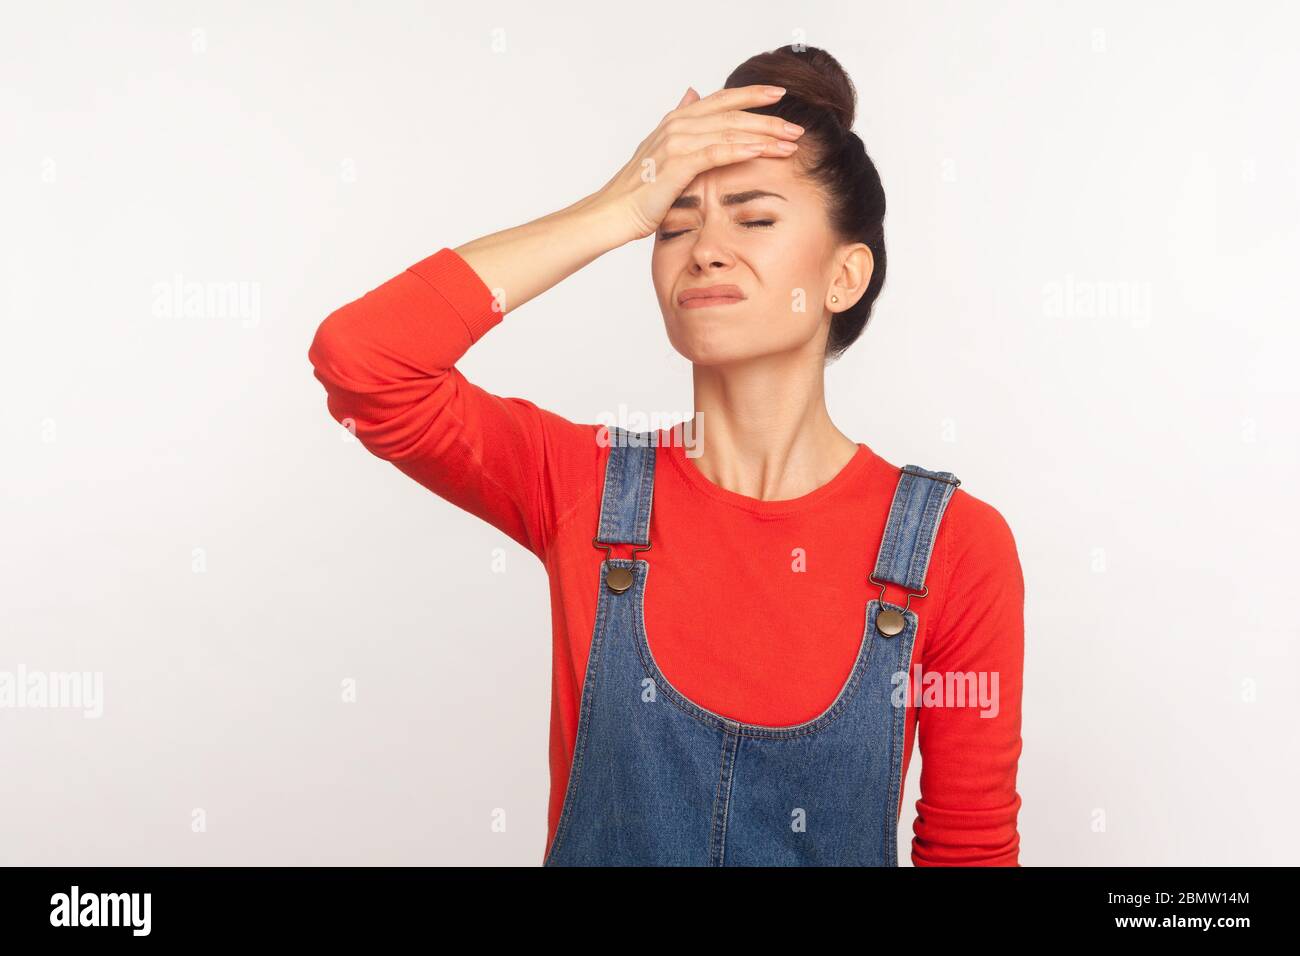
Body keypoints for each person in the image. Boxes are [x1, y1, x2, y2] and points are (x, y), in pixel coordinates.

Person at [308, 45, 1024, 866]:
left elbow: (969, 849)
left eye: (754, 219)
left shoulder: (954, 549)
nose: (704, 249)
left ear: (844, 276)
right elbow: (362, 361)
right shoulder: (580, 486)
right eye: (675, 224)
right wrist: (615, 207)